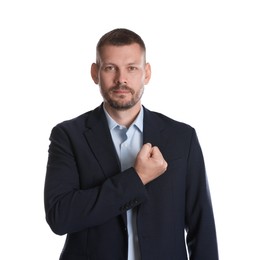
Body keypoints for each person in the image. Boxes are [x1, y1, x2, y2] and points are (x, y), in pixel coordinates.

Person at [44, 28, 219, 260]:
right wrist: (136, 179)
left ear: (146, 73)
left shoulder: (182, 138)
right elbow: (60, 217)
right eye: (110, 68)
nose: (121, 79)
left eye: (131, 68)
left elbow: (201, 227)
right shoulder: (67, 136)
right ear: (95, 73)